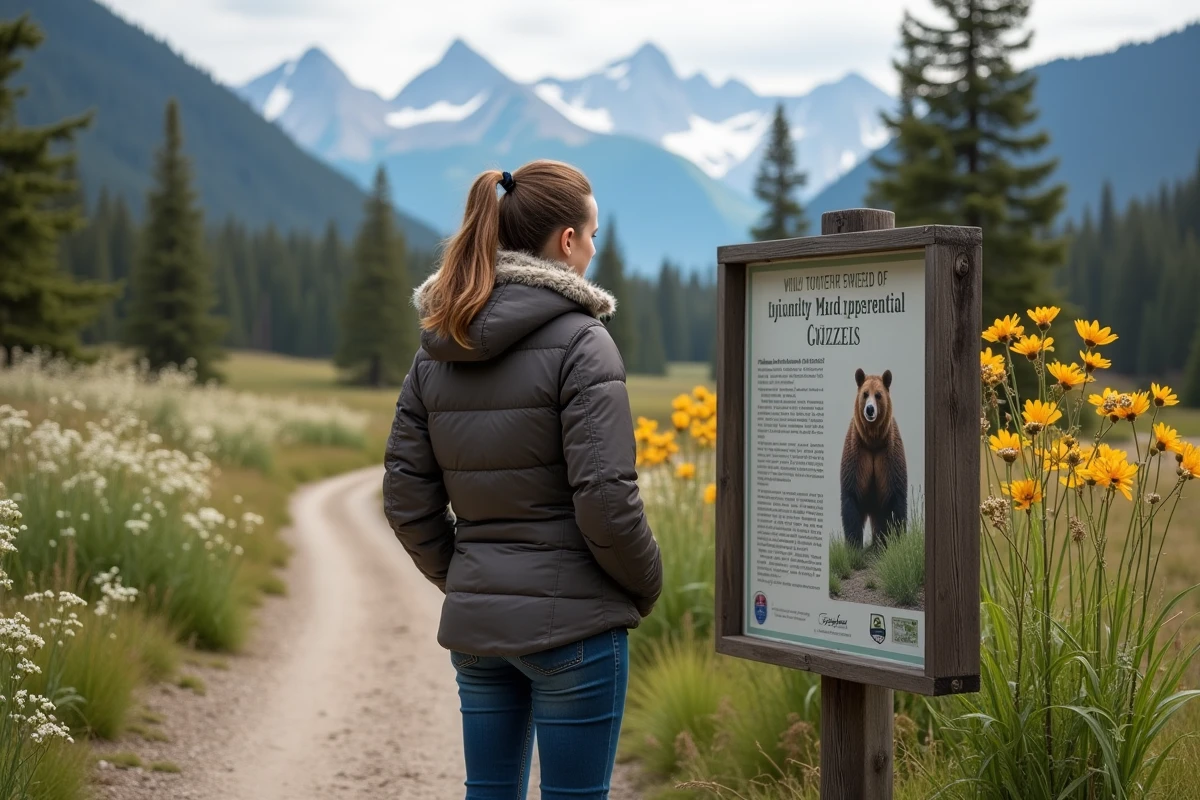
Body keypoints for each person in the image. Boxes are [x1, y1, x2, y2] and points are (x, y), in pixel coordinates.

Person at [382, 159, 663, 800]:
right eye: (592, 236)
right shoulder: (583, 342)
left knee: (488, 792)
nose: (593, 250)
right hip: (576, 629)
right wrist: (645, 585)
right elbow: (607, 499)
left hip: (480, 631)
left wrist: (468, 578)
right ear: (567, 241)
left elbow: (404, 495)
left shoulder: (437, 344)